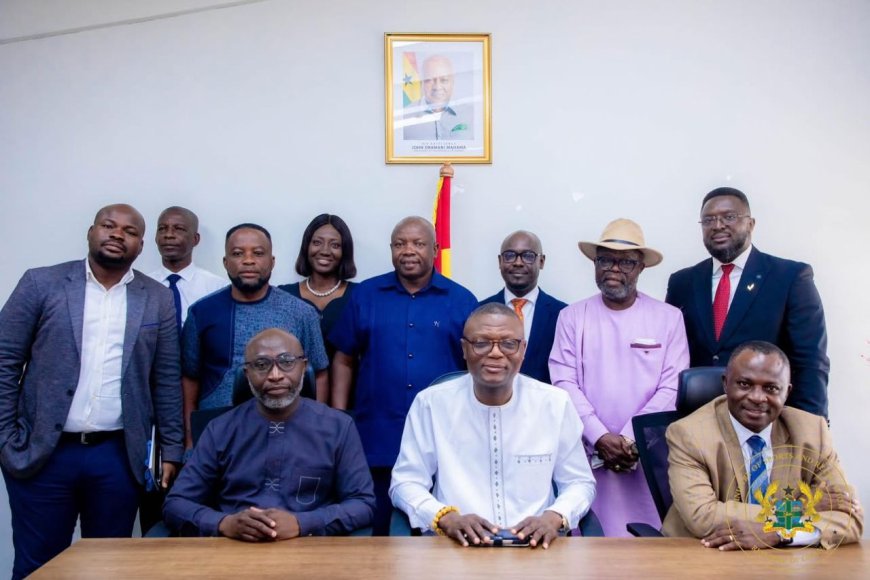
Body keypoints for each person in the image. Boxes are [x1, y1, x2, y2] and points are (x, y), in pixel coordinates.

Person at [0, 204, 183, 579]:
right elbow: (4, 359)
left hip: (116, 456)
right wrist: (5, 438)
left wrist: (172, 449)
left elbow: (165, 379)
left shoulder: (156, 297)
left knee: (109, 567)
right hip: (43, 454)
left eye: (129, 231)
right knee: (39, 565)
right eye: (108, 225)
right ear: (90, 231)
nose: (118, 234)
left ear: (141, 244)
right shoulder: (41, 283)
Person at [390, 304, 596, 548]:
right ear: (464, 349)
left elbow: (579, 482)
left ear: (523, 350)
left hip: (535, 549)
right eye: (481, 343)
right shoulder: (431, 404)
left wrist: (554, 517)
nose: (496, 353)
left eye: (508, 344)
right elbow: (405, 482)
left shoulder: (555, 404)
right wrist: (446, 517)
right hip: (456, 547)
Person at [329, 216, 478, 535]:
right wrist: (340, 418)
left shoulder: (462, 300)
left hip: (447, 437)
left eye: (418, 243)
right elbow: (343, 359)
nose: (408, 250)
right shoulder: (365, 295)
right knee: (379, 529)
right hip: (376, 435)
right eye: (400, 244)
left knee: (443, 529)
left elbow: (476, 369)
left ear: (435, 249)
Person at [549, 218, 690, 537]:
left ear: (641, 267)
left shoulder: (669, 318)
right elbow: (563, 382)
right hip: (588, 454)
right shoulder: (572, 317)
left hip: (645, 456)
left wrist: (629, 439)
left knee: (647, 546)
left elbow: (672, 386)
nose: (613, 268)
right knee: (591, 548)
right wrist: (599, 436)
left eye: (625, 261)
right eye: (605, 260)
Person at [164, 328, 375, 538]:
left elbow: (363, 504)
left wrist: (303, 523)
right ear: (247, 374)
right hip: (232, 552)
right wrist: (224, 523)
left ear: (304, 367)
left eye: (287, 362)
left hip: (311, 551)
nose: (275, 375)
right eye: (262, 365)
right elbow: (176, 503)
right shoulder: (220, 429)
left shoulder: (338, 427)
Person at [663, 341, 862, 549]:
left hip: (780, 560)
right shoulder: (688, 434)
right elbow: (702, 517)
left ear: (787, 392)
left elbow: (849, 518)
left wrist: (779, 532)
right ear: (725, 383)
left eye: (771, 388)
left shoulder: (813, 431)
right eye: (744, 384)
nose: (757, 398)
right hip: (699, 553)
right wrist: (802, 508)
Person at [665, 187, 829, 417]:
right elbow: (671, 356)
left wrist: (811, 425)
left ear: (751, 224)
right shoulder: (682, 282)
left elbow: (810, 361)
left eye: (729, 217)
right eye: (708, 220)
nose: (718, 225)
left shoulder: (790, 277)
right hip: (696, 422)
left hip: (766, 419)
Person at [181, 223, 328, 450]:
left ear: (272, 261)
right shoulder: (202, 312)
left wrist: (317, 431)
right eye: (238, 254)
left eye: (258, 253)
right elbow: (190, 377)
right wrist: (191, 439)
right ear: (226, 262)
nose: (248, 261)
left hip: (288, 433)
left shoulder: (301, 312)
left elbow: (319, 372)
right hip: (216, 434)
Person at [278, 214, 356, 401]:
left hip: (350, 401)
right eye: (317, 242)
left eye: (335, 245)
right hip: (293, 402)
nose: (325, 250)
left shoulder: (360, 296)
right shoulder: (283, 296)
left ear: (345, 251)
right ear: (307, 247)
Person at [480, 230, 567, 383]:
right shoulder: (479, 312)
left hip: (544, 403)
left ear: (541, 261)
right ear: (500, 261)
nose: (518, 262)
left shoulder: (563, 314)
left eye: (527, 256)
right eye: (509, 255)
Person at [148, 206, 227, 327]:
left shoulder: (217, 288)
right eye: (162, 229)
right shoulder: (143, 286)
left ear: (195, 239)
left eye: (179, 229)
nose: (168, 235)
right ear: (155, 238)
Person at [403, 54, 474, 141]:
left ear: (453, 82)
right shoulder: (404, 117)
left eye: (444, 80)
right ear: (422, 82)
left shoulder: (472, 115)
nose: (437, 87)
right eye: (429, 80)